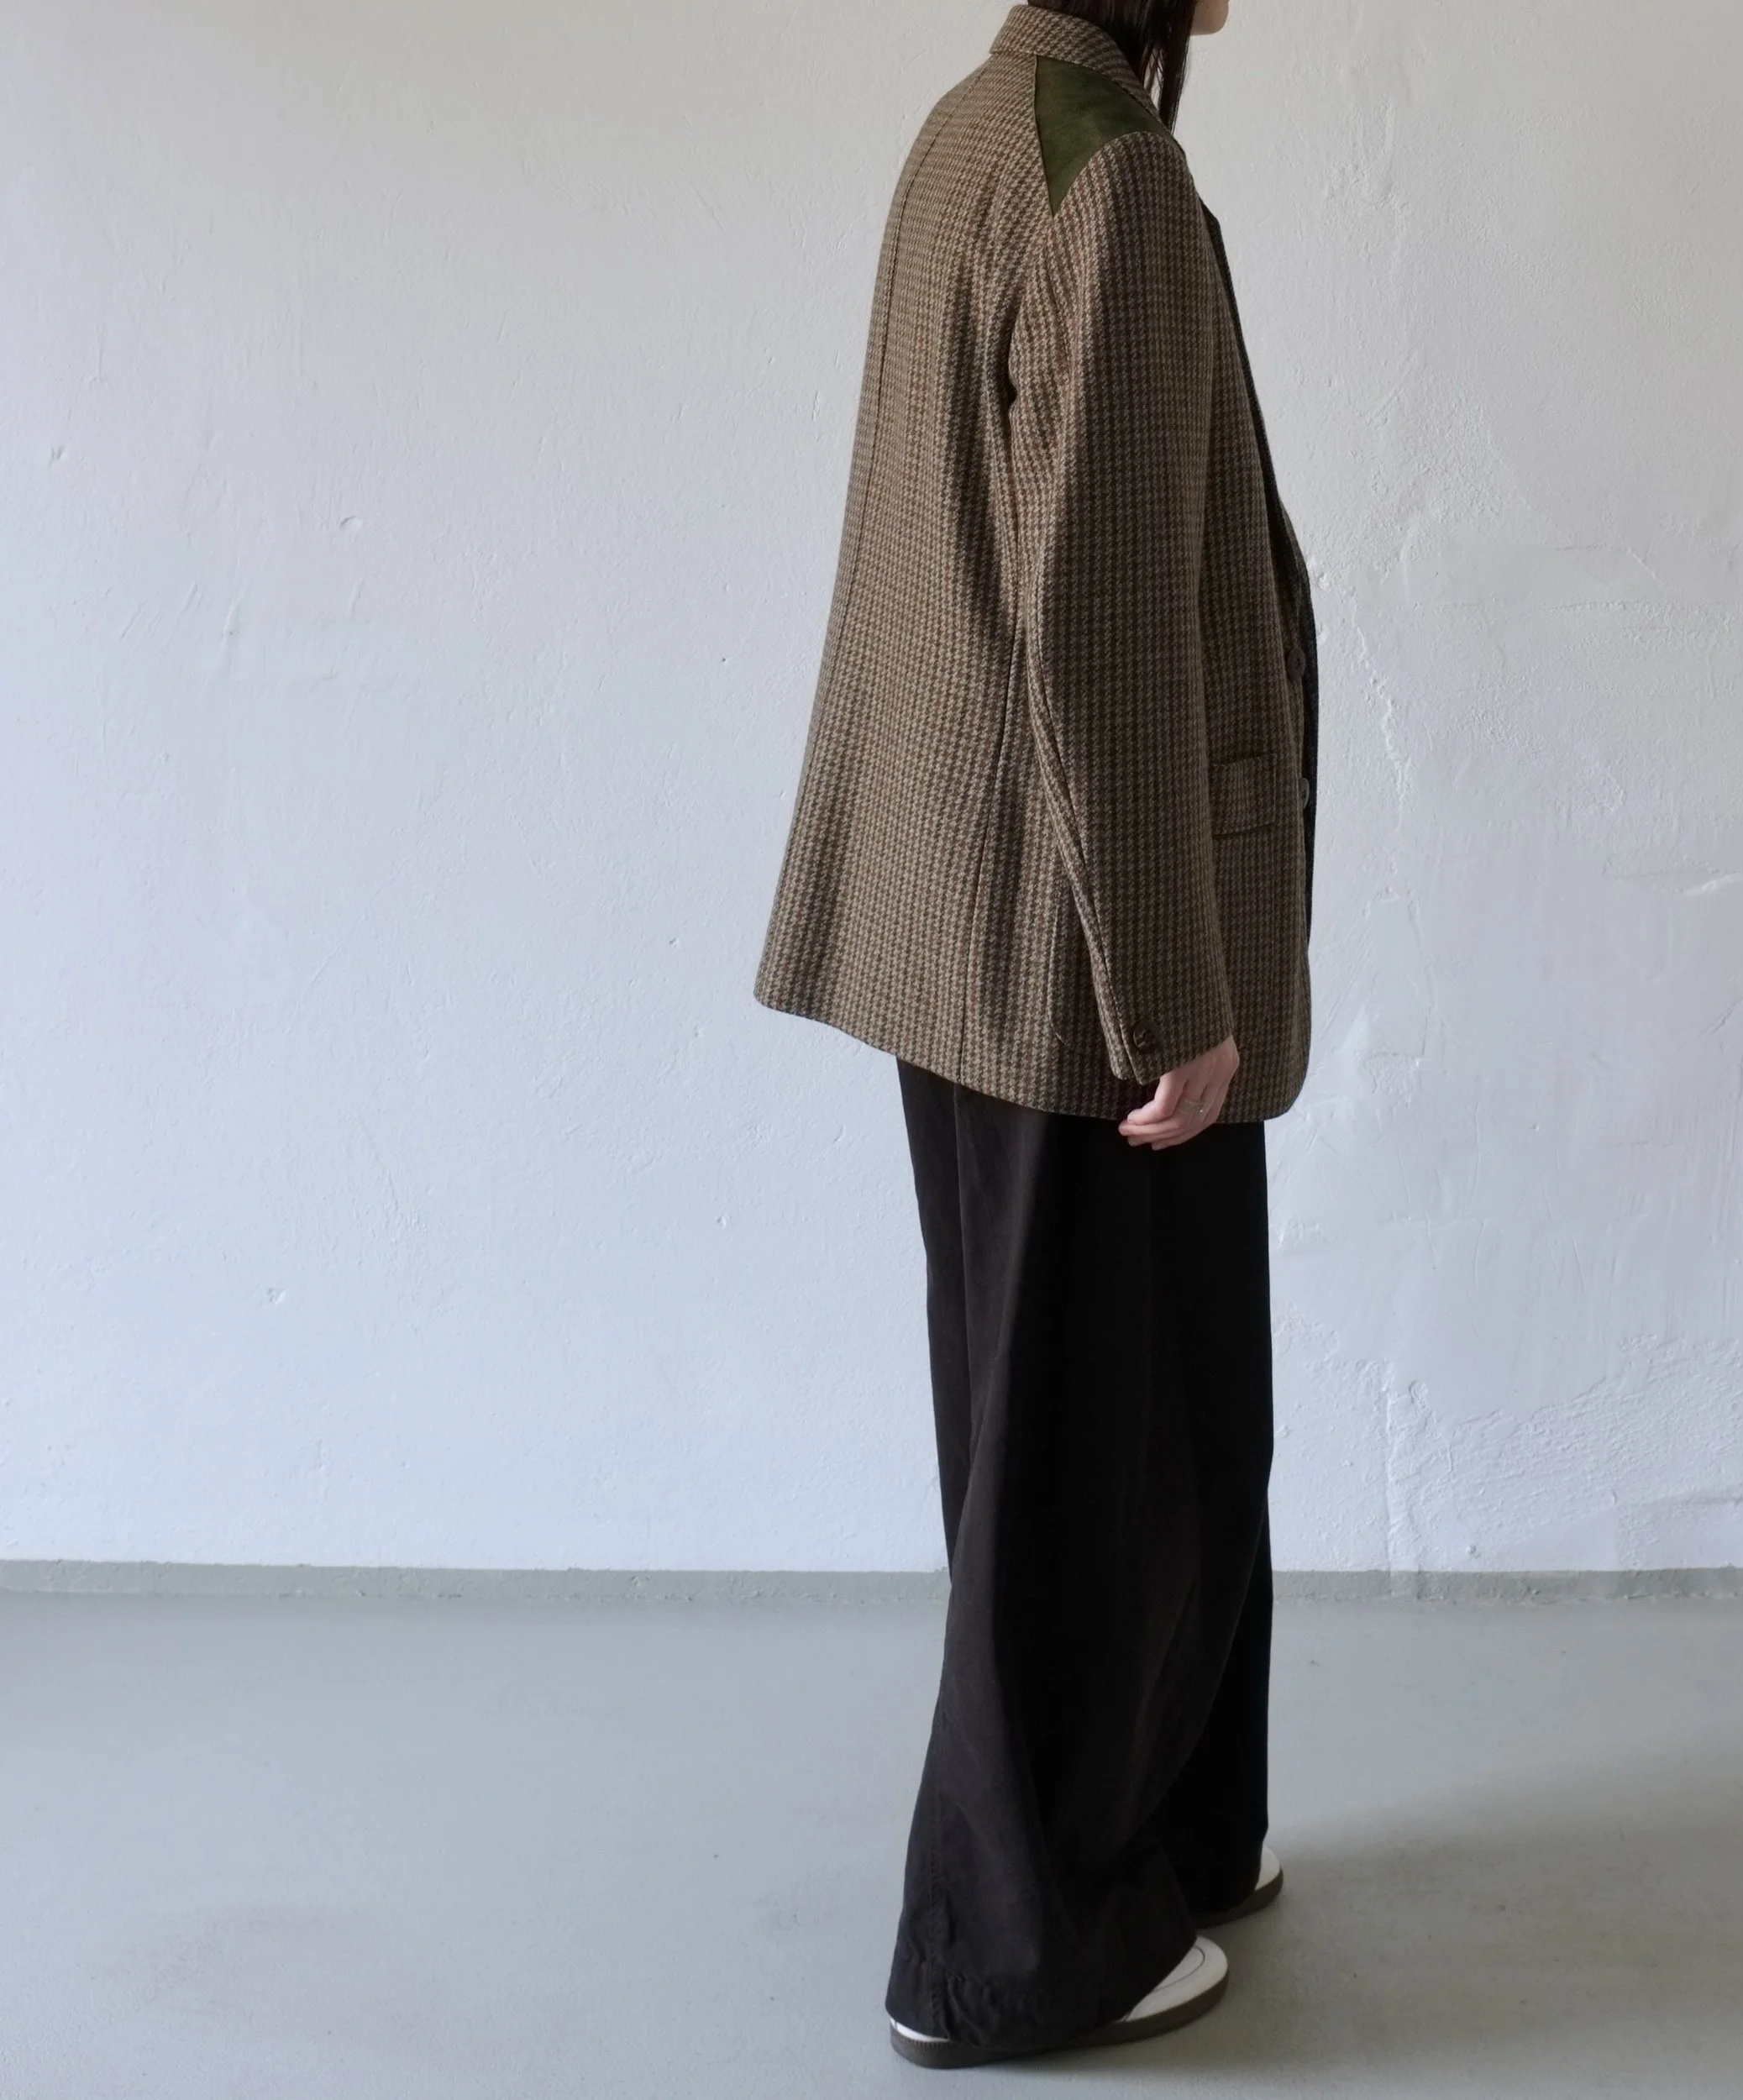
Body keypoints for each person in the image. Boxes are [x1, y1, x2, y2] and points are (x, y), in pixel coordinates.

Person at [753, 0, 1318, 2069]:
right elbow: (1100, 625)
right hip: (1080, 943)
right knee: (1093, 1453)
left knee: (1166, 1408)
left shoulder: (976, 127)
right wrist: (1169, 991)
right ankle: (1005, 1947)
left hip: (972, 902)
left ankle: (1176, 1826)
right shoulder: (1114, 181)